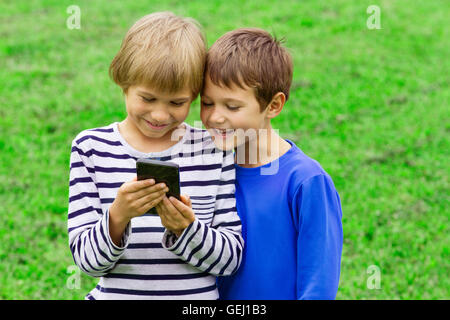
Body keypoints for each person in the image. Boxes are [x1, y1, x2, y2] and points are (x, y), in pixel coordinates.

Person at [67, 12, 243, 300]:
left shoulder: (213, 150)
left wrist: (187, 229)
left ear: (196, 95)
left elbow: (230, 261)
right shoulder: (91, 148)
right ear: (123, 82)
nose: (160, 115)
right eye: (147, 98)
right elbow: (87, 263)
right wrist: (117, 217)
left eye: (177, 102)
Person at [201, 28, 343, 299]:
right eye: (207, 103)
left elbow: (319, 284)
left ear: (274, 105)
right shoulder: (212, 173)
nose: (215, 117)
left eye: (232, 107)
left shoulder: (306, 181)